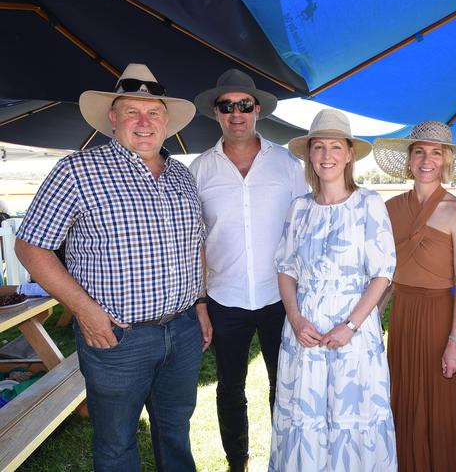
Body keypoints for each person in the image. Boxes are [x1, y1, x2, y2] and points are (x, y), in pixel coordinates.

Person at [14, 64, 211, 471]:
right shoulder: (77, 171)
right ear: (113, 117)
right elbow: (32, 247)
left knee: (175, 430)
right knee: (117, 443)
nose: (144, 122)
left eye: (153, 112)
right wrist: (85, 311)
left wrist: (201, 306)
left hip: (183, 328)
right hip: (116, 337)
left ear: (166, 120)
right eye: (132, 111)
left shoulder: (182, 176)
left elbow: (197, 246)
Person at [189, 69, 308, 472]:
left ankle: (285, 461)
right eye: (227, 106)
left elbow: (304, 230)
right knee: (229, 389)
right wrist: (201, 302)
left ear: (257, 110)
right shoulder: (199, 170)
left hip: (280, 296)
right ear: (216, 113)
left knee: (285, 387)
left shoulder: (289, 165)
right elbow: (194, 242)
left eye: (244, 105)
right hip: (224, 297)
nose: (236, 113)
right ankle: (236, 463)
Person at [269, 109, 397, 471]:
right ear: (309, 154)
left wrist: (351, 326)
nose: (327, 155)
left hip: (354, 332)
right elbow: (285, 268)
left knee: (352, 420)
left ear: (349, 154)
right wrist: (295, 318)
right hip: (305, 331)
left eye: (335, 147)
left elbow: (383, 273)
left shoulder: (369, 204)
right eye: (319, 147)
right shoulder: (299, 209)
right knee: (303, 419)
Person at [374, 121, 456, 471]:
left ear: (446, 160)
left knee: (444, 403)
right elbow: (387, 277)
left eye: (435, 153)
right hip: (404, 315)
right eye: (419, 152)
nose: (427, 160)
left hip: (443, 316)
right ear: (409, 160)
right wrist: (373, 320)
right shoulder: (389, 208)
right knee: (404, 398)